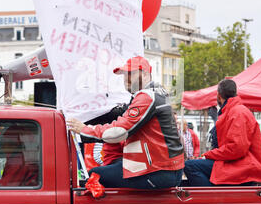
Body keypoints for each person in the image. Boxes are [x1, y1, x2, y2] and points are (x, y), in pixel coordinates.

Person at [67, 56, 184, 189]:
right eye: (124, 75)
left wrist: (83, 130)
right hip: (166, 169)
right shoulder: (156, 93)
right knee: (112, 168)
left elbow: (119, 132)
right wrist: (84, 116)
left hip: (158, 172)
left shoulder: (147, 97)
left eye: (131, 74)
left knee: (95, 175)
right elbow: (119, 113)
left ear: (145, 74)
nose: (126, 79)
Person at [184, 79, 261, 186]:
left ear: (218, 96)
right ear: (235, 93)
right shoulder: (235, 111)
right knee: (192, 165)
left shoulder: (237, 112)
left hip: (243, 167)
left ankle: (212, 200)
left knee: (190, 166)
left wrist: (209, 155)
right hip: (240, 164)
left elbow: (236, 148)